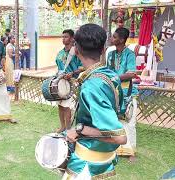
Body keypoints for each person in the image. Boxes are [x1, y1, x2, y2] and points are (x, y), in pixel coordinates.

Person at [64, 23, 127, 179]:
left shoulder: (92, 86)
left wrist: (79, 129)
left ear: (76, 50)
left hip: (87, 163)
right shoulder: (110, 75)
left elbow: (120, 137)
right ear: (103, 50)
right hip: (105, 157)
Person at [107, 27, 138, 162]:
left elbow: (132, 73)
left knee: (130, 122)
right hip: (114, 92)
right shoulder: (110, 55)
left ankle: (131, 152)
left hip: (129, 92)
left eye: (114, 37)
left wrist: (115, 78)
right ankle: (117, 149)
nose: (112, 39)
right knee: (115, 121)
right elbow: (108, 72)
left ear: (121, 39)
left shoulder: (130, 54)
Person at [55, 29, 82, 133]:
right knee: (60, 104)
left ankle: (68, 129)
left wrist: (72, 73)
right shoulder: (60, 53)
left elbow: (82, 67)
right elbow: (58, 66)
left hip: (72, 81)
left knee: (67, 106)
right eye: (63, 37)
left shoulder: (76, 52)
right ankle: (62, 126)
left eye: (65, 36)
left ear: (72, 38)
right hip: (61, 82)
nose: (63, 39)